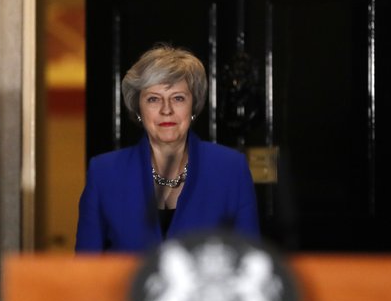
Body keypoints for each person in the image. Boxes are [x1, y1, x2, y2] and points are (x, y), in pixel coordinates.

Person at [75, 43, 260, 252]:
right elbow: (85, 269)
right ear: (138, 108)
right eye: (153, 99)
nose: (166, 110)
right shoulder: (104, 173)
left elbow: (249, 263)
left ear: (193, 105)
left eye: (178, 98)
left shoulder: (231, 169)